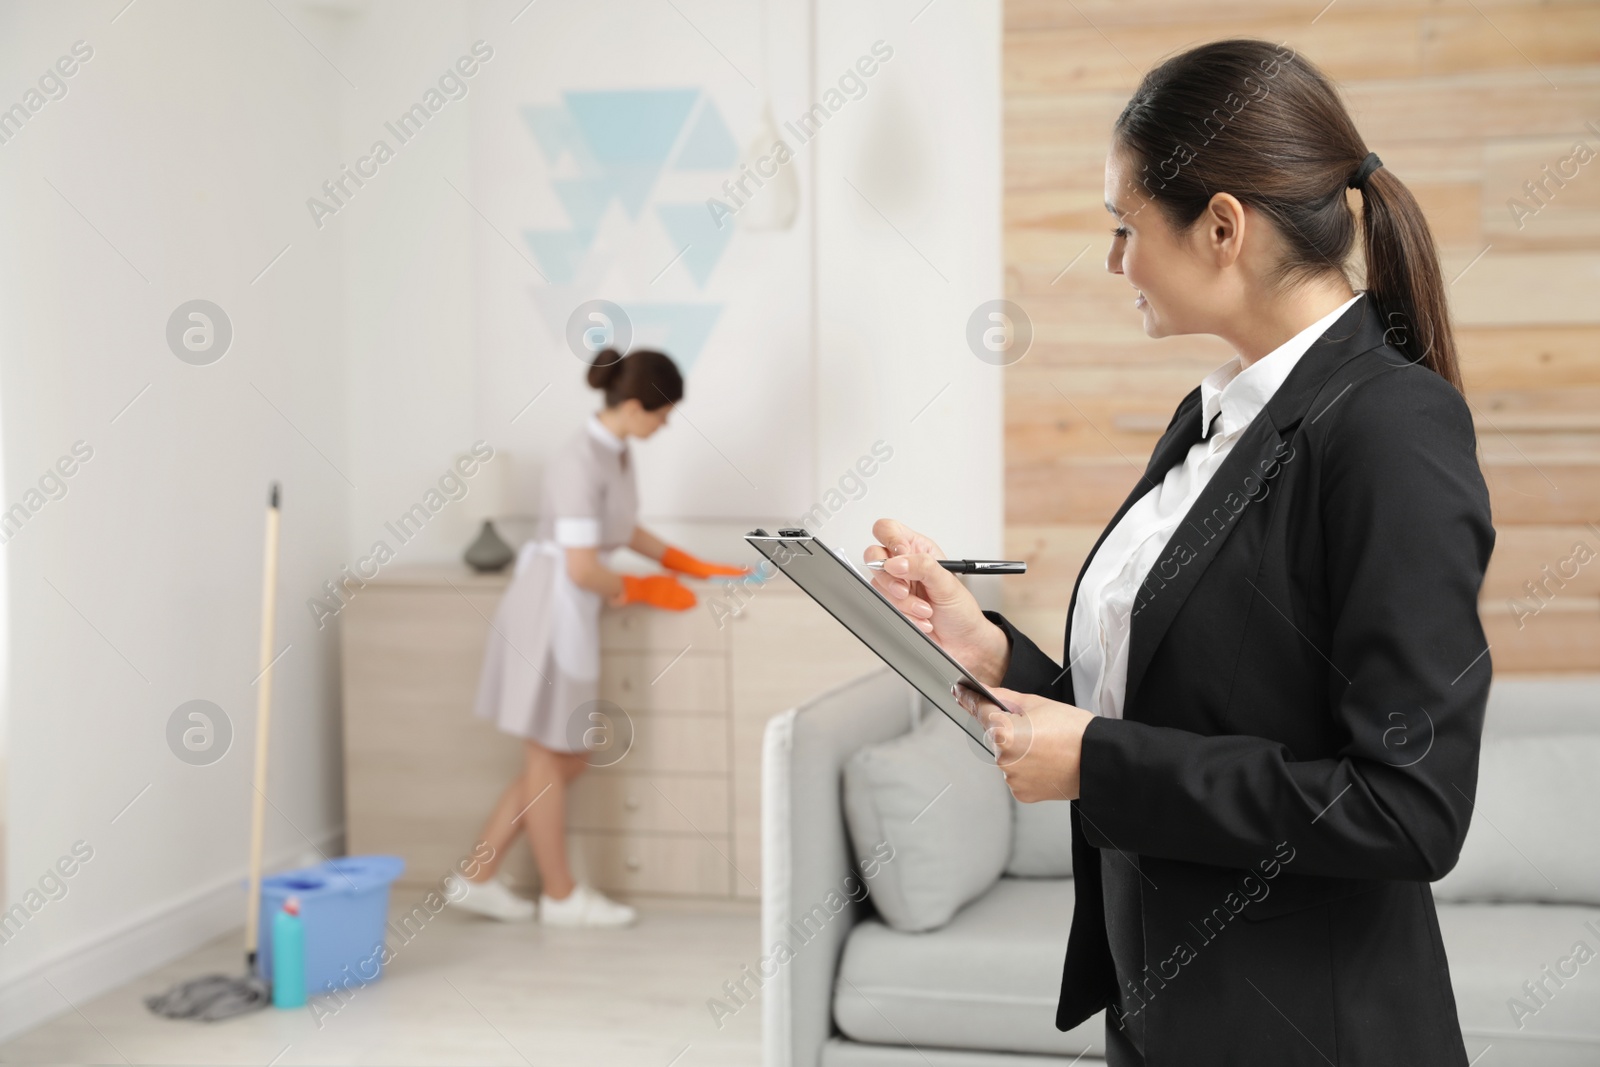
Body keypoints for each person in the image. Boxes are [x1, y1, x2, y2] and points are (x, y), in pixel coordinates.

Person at [867, 39, 1493, 1067]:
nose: (1114, 261)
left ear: (1220, 227)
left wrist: (1097, 765)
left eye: (1123, 227)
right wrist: (989, 653)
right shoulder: (1217, 416)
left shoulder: (1390, 429)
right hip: (1162, 1008)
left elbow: (1406, 807)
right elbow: (1182, 703)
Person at [452, 348, 747, 928]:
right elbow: (585, 567)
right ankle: (560, 896)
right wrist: (648, 589)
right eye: (662, 415)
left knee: (568, 753)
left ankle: (477, 877)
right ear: (635, 407)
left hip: (570, 610)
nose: (664, 426)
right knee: (548, 752)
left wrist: (690, 563)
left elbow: (621, 528)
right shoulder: (577, 461)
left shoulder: (614, 454)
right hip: (549, 609)